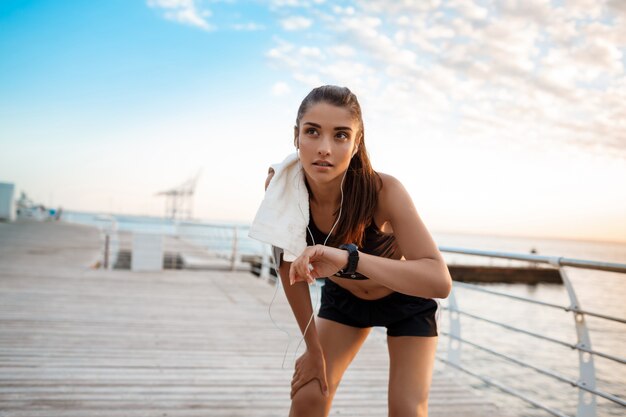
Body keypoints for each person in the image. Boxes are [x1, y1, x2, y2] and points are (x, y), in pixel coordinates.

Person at [265, 85, 452, 417]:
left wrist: (351, 258)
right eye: (312, 132)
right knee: (309, 395)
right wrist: (313, 350)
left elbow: (439, 281)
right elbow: (287, 266)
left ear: (356, 143)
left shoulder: (383, 191)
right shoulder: (283, 189)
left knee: (407, 410)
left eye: (340, 135)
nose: (324, 148)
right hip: (346, 302)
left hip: (404, 300)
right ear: (296, 136)